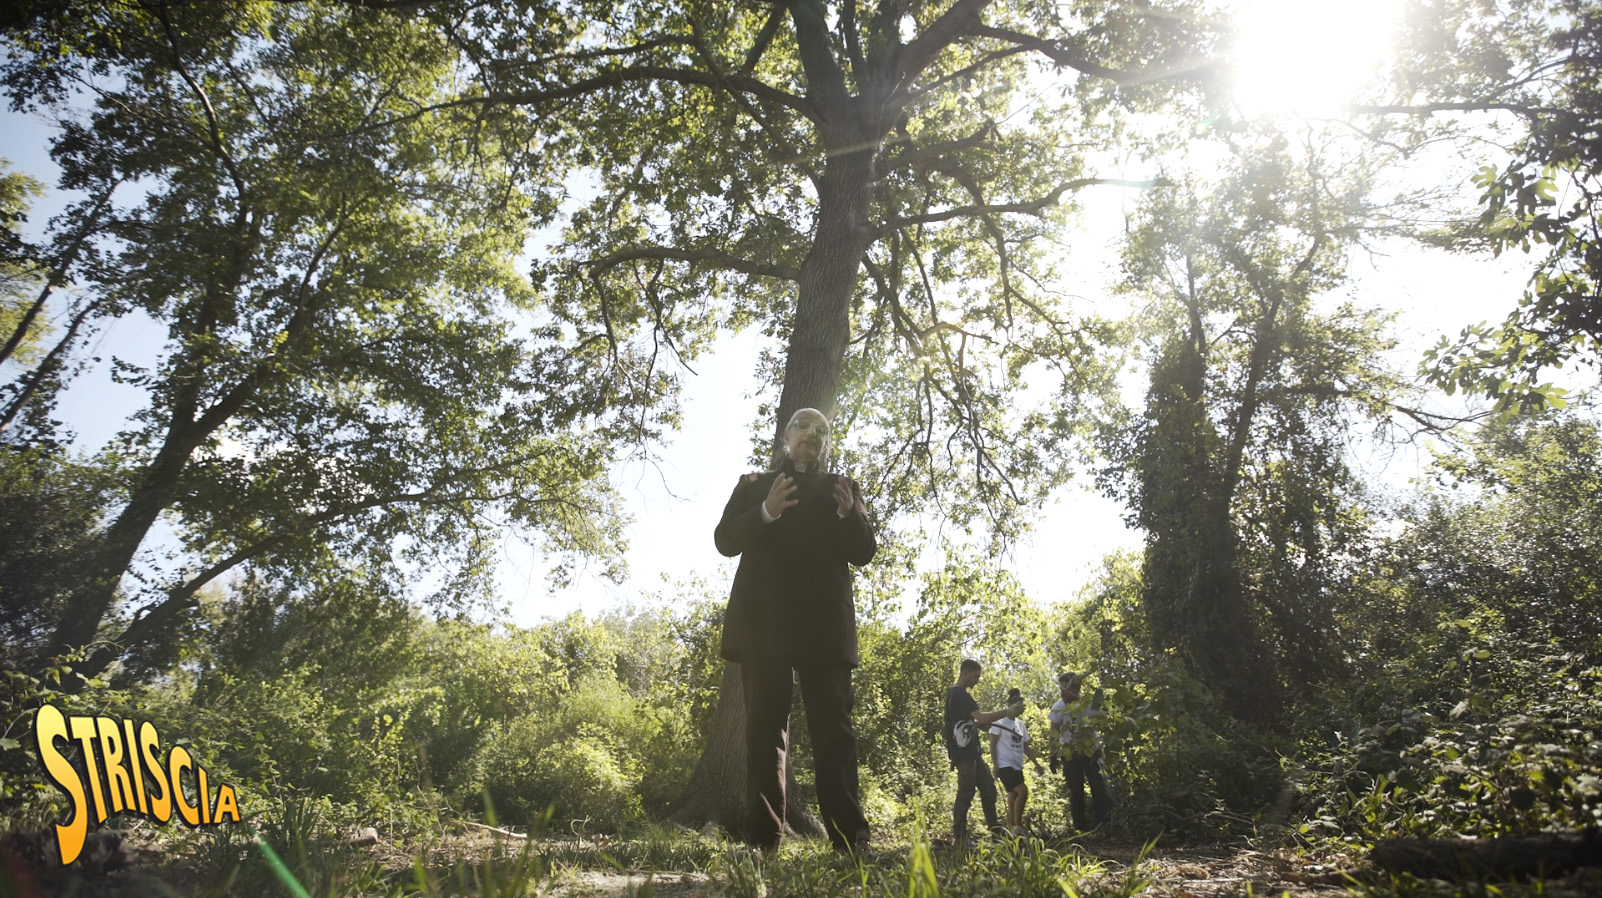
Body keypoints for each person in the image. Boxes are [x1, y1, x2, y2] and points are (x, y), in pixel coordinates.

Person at [716, 407, 877, 854]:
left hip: (825, 629)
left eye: (821, 429)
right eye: (803, 426)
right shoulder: (754, 485)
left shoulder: (844, 489)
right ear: (786, 437)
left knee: (835, 734)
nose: (811, 433)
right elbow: (724, 541)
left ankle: (851, 840)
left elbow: (864, 552)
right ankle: (763, 840)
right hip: (763, 626)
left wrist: (849, 517)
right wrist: (765, 513)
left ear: (827, 443)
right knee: (764, 732)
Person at [944, 659, 1024, 845]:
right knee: (966, 791)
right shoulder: (959, 694)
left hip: (972, 752)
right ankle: (960, 837)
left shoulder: (956, 695)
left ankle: (996, 832)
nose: (977, 680)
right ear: (966, 673)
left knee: (988, 788)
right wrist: (1007, 712)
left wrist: (981, 725)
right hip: (964, 753)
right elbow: (980, 717)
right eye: (975, 676)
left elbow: (972, 721)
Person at [1048, 671, 1111, 832]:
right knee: (1075, 791)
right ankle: (1080, 829)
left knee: (1099, 787)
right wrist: (1053, 755)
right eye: (1061, 689)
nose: (1063, 693)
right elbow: (1054, 733)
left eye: (1067, 689)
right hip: (1070, 754)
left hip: (1092, 751)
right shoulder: (1058, 707)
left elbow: (1106, 719)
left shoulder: (1089, 703)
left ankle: (1103, 825)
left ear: (1076, 688)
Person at [989, 686, 1034, 836]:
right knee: (1023, 791)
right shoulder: (999, 722)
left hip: (1017, 765)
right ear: (1010, 705)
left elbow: (1025, 746)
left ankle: (1010, 830)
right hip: (1004, 764)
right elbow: (992, 744)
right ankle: (1018, 826)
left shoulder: (1020, 724)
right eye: (1016, 704)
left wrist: (1036, 763)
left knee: (1013, 796)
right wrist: (995, 765)